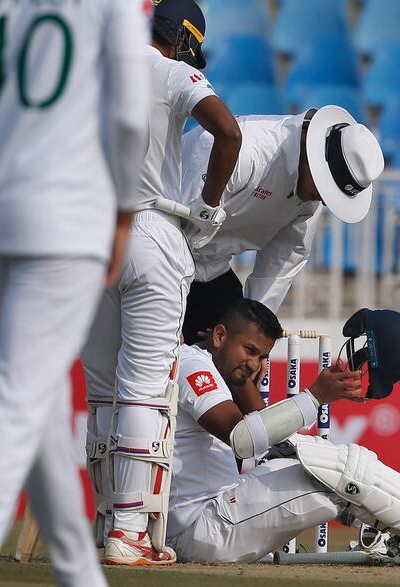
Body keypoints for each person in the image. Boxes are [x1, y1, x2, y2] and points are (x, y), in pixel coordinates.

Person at [0, 0, 151, 584]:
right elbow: (131, 114)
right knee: (19, 394)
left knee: (39, 400)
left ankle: (80, 574)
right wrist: (125, 212)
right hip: (67, 215)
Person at [166, 299, 400, 567]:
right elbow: (242, 440)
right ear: (218, 336)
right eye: (249, 351)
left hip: (220, 520)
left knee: (345, 467)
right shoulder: (192, 364)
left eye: (262, 357)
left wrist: (248, 379)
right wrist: (315, 397)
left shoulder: (217, 365)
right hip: (203, 529)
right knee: (345, 466)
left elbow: (266, 440)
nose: (255, 365)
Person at [80, 0, 241, 566]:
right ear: (184, 37)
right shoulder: (172, 71)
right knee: (146, 387)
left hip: (87, 234)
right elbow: (228, 132)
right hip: (150, 226)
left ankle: (106, 524)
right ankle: (128, 531)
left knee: (102, 389)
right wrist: (208, 206)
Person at [180, 106, 384, 345]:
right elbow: (174, 228)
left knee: (236, 355)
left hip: (211, 269)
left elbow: (287, 256)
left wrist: (255, 331)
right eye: (324, 187)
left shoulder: (311, 195)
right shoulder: (248, 151)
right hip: (159, 257)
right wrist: (170, 316)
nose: (322, 201)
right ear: (314, 156)